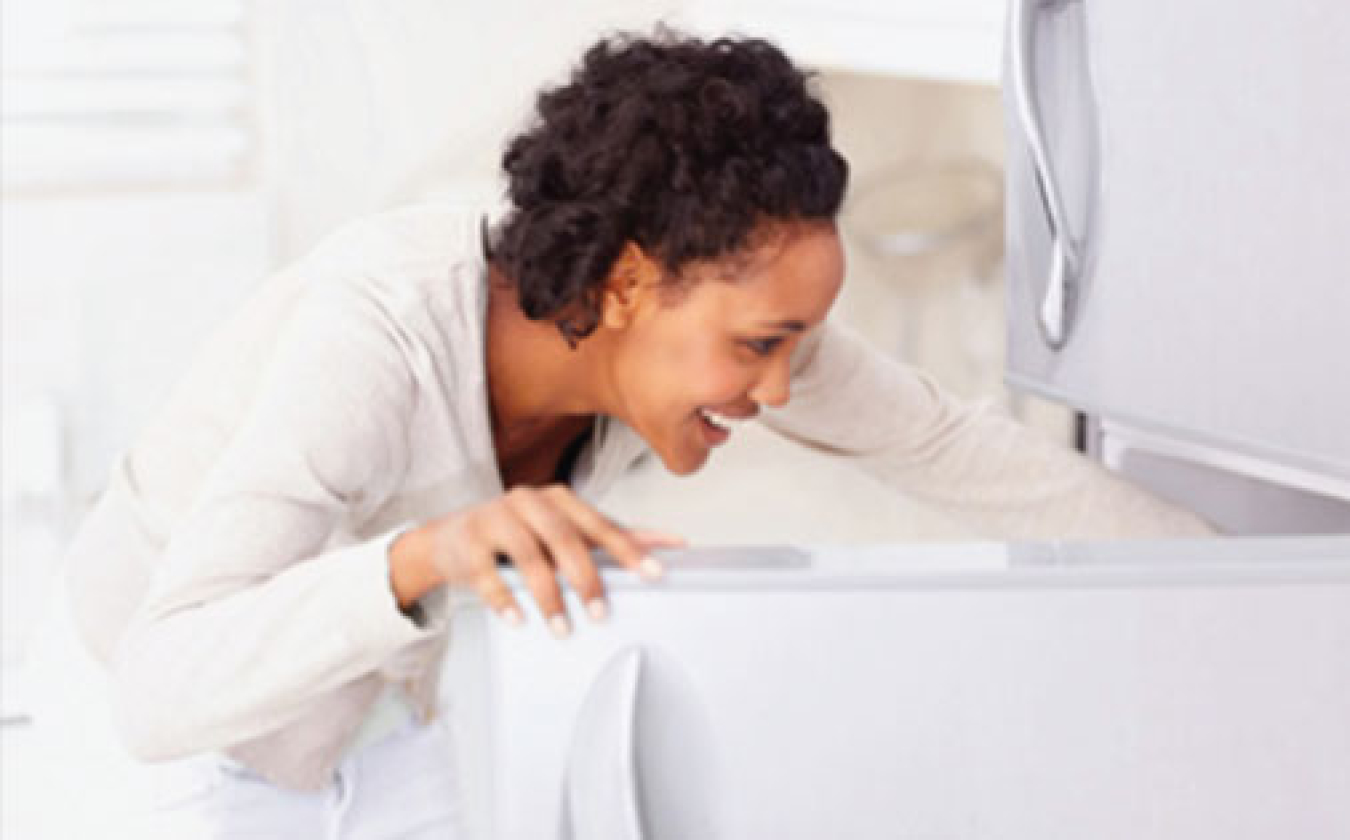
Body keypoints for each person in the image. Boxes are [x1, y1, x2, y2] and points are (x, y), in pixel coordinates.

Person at [61, 29, 1212, 837]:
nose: (777, 389)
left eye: (794, 346)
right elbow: (161, 690)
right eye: (760, 343)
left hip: (372, 723)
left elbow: (959, 451)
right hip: (172, 749)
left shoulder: (692, 325)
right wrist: (430, 554)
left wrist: (1251, 591)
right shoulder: (374, 337)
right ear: (625, 282)